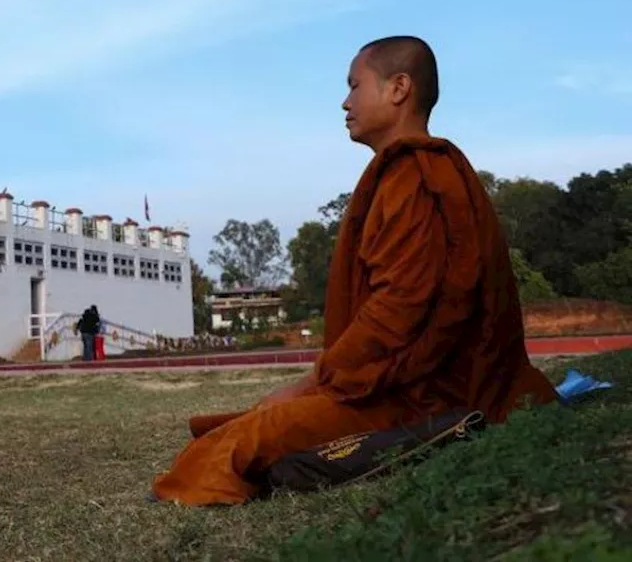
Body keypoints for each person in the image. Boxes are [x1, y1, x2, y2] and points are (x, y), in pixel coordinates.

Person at [148, 35, 560, 507]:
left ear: (398, 88)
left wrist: (315, 382)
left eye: (354, 85)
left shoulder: (419, 173)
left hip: (426, 397)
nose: (345, 102)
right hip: (400, 384)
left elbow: (400, 310)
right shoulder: (412, 171)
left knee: (239, 445)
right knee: (237, 424)